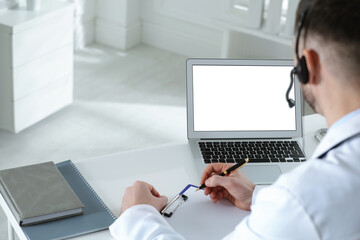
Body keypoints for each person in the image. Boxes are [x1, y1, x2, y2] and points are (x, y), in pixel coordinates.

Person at [109, 0, 360, 239]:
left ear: (309, 64)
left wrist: (136, 215)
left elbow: (304, 209)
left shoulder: (303, 201)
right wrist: (258, 196)